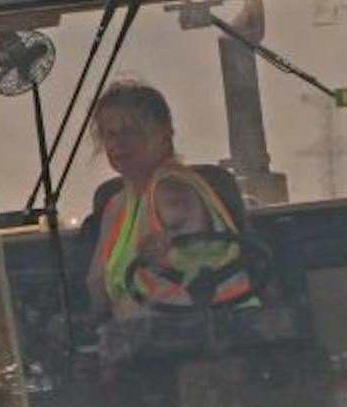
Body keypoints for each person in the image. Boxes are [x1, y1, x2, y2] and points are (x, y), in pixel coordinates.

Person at [83, 80, 259, 320]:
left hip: (211, 335)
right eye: (110, 134)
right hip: (138, 342)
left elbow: (190, 242)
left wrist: (170, 243)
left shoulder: (172, 189)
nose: (118, 143)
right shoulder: (116, 205)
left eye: (131, 131)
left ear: (165, 134)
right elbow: (97, 287)